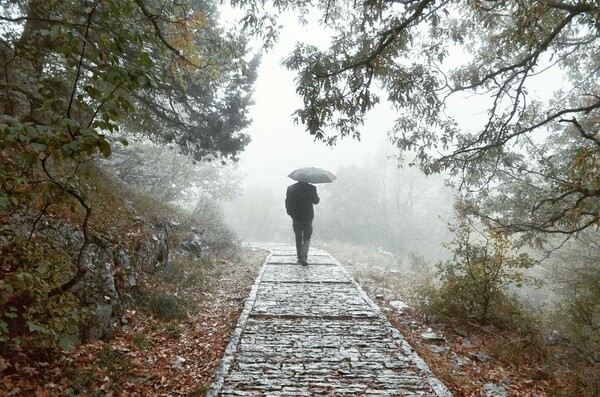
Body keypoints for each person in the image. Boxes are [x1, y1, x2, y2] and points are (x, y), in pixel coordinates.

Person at [285, 181, 320, 265]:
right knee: (307, 238)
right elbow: (316, 201)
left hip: (296, 217)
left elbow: (287, 202)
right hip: (308, 217)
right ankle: (304, 257)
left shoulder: (291, 188)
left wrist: (290, 213)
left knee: (298, 237)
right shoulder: (311, 188)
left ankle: (299, 258)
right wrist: (317, 197)